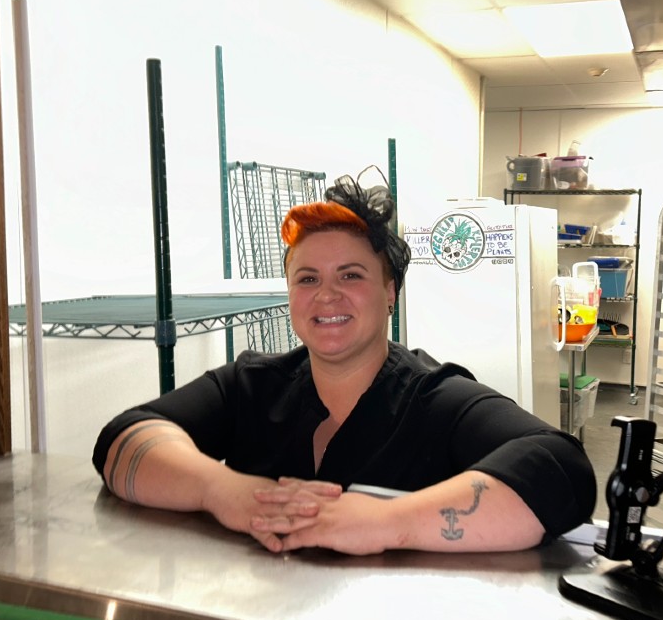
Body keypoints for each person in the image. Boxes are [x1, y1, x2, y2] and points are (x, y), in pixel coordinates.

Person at [92, 173, 596, 555]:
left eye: (350, 275)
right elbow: (124, 436)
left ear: (390, 291)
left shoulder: (435, 400)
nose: (326, 295)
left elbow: (561, 469)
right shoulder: (251, 386)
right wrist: (222, 490)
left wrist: (385, 522)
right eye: (307, 279)